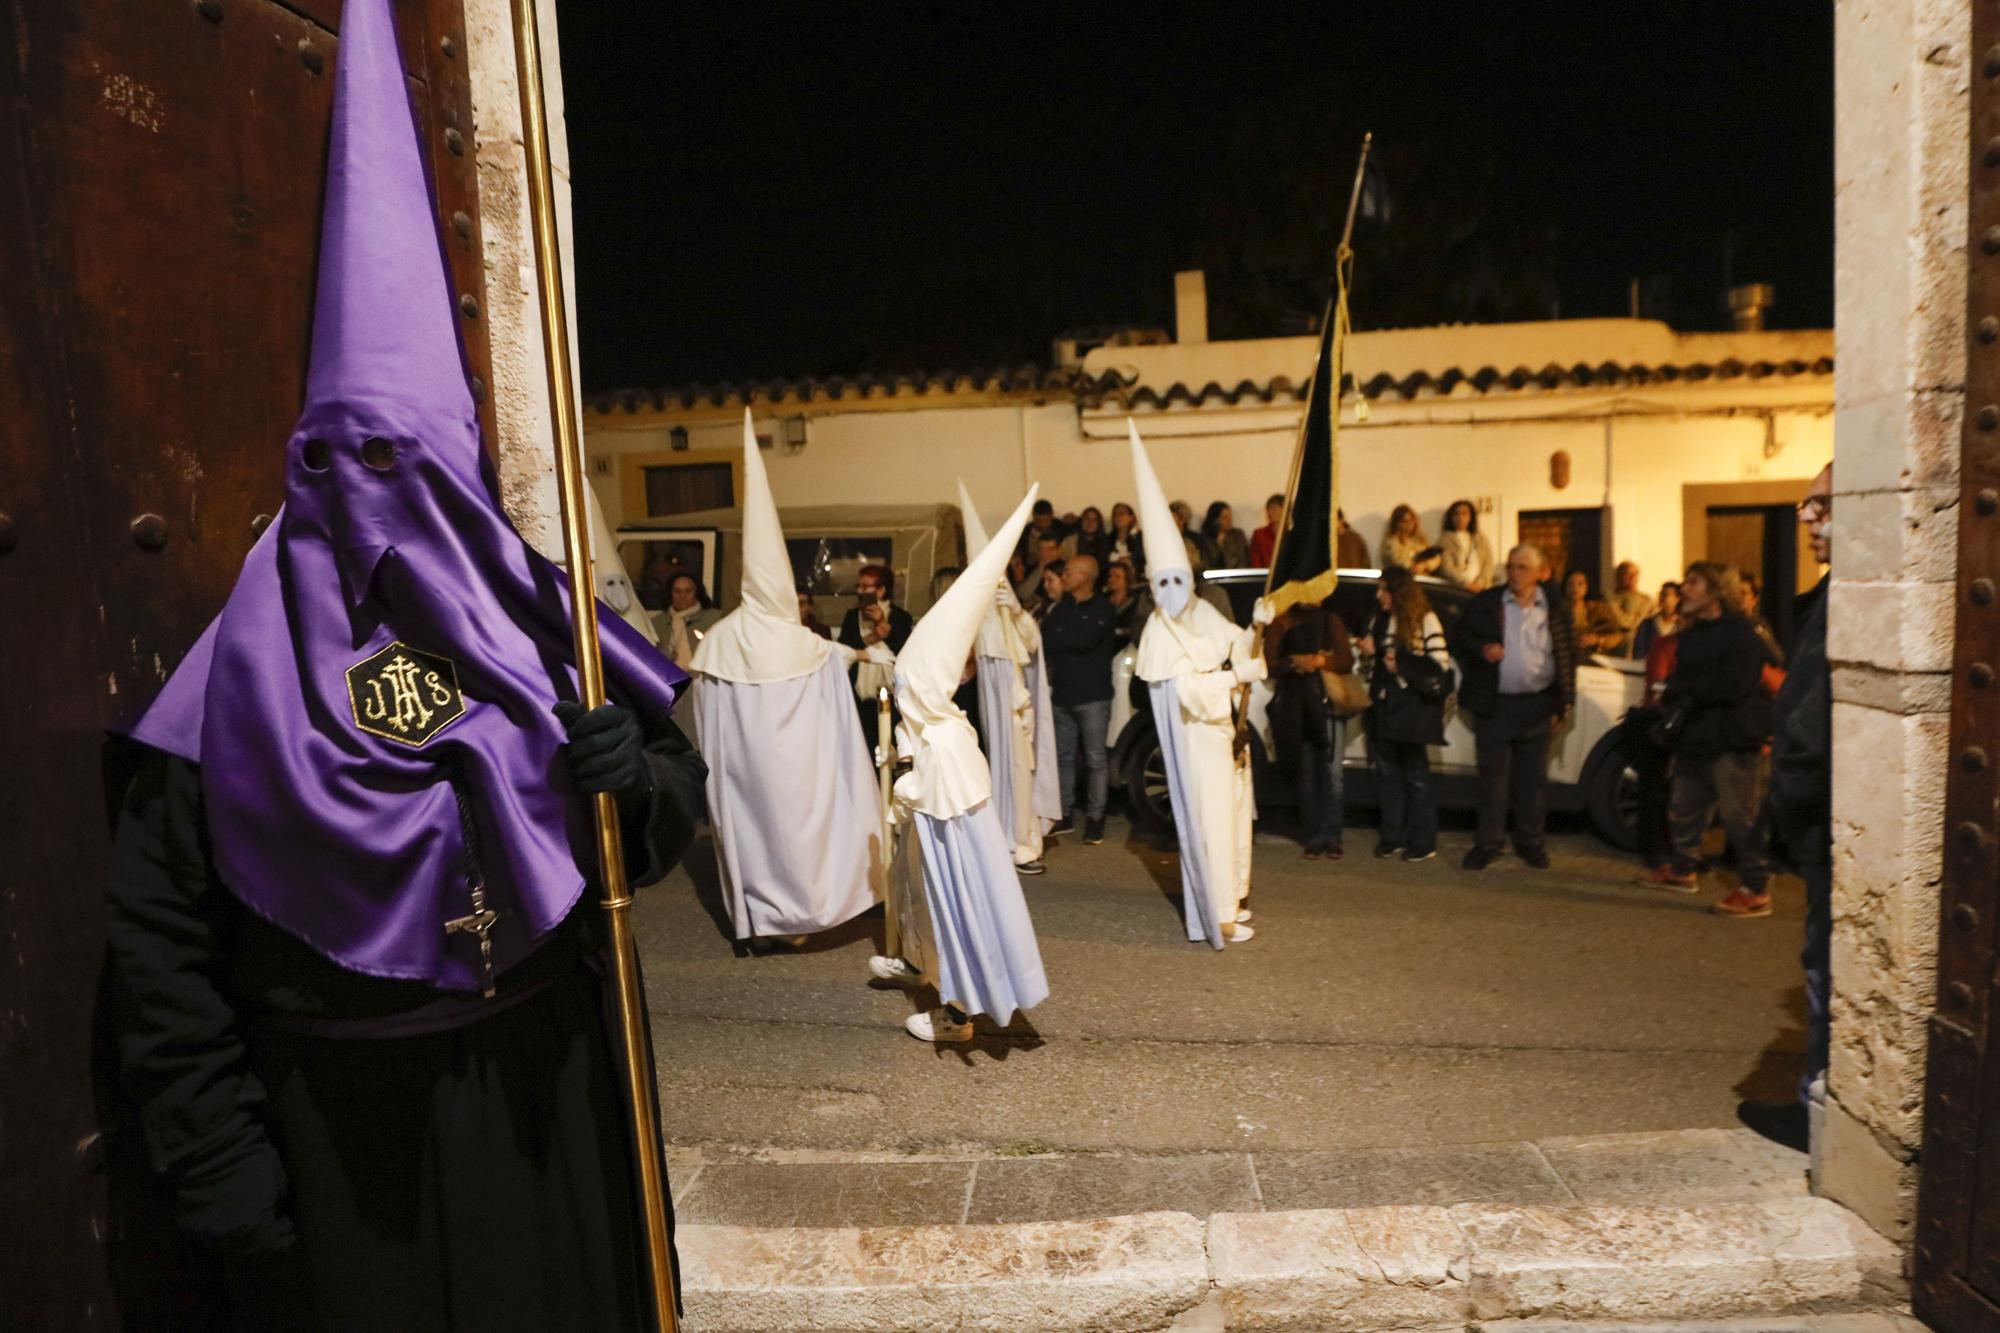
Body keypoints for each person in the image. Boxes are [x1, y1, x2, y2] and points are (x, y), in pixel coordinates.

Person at [103, 5, 707, 1323]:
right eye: (361, 463)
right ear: (308, 469)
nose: (399, 502)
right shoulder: (222, 707)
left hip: (554, 1106)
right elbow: (164, 964)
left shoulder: (530, 625)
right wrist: (228, 1184)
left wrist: (639, 778)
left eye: (425, 468)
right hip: (352, 1154)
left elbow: (666, 812)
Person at [694, 414, 888, 947]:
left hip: (747, 776)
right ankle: (803, 912)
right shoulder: (800, 640)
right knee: (800, 837)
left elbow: (708, 708)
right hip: (799, 770)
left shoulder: (720, 641)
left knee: (760, 838)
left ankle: (767, 919)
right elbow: (841, 655)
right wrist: (875, 655)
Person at [869, 490, 1050, 1043]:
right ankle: (916, 960)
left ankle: (959, 1011)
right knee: (915, 885)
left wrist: (906, 777)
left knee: (956, 898)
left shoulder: (945, 742)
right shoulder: (934, 722)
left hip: (942, 787)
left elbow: (957, 872)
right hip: (930, 772)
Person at [1131, 422, 1268, 945]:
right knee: (1211, 826)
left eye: (1179, 579)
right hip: (1200, 740)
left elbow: (1235, 642)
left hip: (1228, 734)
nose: (1171, 590)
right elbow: (1188, 691)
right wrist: (1238, 676)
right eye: (1161, 582)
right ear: (1151, 583)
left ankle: (1231, 899)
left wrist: (1257, 624)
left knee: (1233, 822)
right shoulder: (1157, 634)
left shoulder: (1202, 613)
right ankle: (1215, 915)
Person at [1742, 464, 1833, 1151]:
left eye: (1822, 503)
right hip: (1822, 821)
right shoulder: (1831, 594)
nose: (1806, 516)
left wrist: (1789, 811)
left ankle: (1819, 1110)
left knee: (1828, 967)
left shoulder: (1851, 596)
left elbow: (1808, 729)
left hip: (1828, 821)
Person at [1635, 561, 1775, 914]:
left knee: (1739, 816)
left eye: (1693, 583)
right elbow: (1680, 680)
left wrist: (1688, 691)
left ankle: (1755, 890)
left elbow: (1736, 685)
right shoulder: (1694, 633)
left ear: (1716, 591)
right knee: (1684, 808)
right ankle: (1683, 871)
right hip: (1695, 736)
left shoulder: (1741, 632)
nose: (1684, 589)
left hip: (1731, 739)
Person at [1453, 544, 1578, 870]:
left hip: (1538, 704)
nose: (1514, 573)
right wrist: (1482, 649)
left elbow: (1568, 654)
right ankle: (1488, 843)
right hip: (1496, 704)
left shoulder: (1555, 607)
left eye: (1523, 568)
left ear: (1540, 573)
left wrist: (1565, 702)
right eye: (1511, 566)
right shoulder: (1487, 602)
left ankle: (1530, 842)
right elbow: (1461, 638)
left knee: (1532, 780)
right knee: (1492, 781)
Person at [958, 481, 1061, 876]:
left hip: (1016, 701)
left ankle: (1022, 837)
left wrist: (1016, 609)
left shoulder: (1009, 608)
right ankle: (1002, 836)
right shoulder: (973, 613)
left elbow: (1031, 645)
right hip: (990, 698)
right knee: (996, 765)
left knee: (1020, 768)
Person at [1360, 568, 1453, 862]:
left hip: (1413, 709)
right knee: (1388, 774)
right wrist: (1369, 655)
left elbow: (1440, 666)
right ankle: (1392, 837)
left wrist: (1399, 664)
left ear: (1399, 592)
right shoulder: (1381, 620)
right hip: (1385, 707)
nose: (1379, 595)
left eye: (1384, 589)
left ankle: (1424, 840)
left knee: (1416, 775)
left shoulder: (1424, 620)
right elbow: (1372, 670)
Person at [1265, 594, 1354, 858]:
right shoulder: (1281, 622)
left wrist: (1320, 662)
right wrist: (1293, 662)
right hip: (1295, 706)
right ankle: (1314, 834)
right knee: (1306, 775)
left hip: (1325, 703)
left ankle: (1332, 834)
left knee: (1331, 773)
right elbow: (1268, 664)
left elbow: (1346, 660)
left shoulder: (1330, 621)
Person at [1040, 553, 1120, 844]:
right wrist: (1066, 639)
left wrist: (1064, 639)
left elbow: (1084, 640)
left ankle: (1096, 818)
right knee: (1064, 758)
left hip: (1092, 696)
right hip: (1062, 694)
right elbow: (1047, 638)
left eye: (1069, 572)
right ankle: (1065, 813)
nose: (1064, 577)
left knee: (1096, 759)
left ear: (1085, 577)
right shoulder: (1061, 607)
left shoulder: (1102, 608)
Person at [839, 563, 913, 741]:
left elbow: (904, 649)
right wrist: (872, 637)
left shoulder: (900, 616)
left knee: (891, 740)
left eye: (865, 586)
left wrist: (882, 621)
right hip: (859, 691)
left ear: (880, 590)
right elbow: (844, 648)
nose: (860, 590)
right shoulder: (851, 616)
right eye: (859, 585)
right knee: (864, 740)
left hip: (892, 689)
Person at [654, 571, 721, 668]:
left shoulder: (714, 619)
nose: (682, 596)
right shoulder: (657, 623)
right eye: (677, 591)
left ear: (697, 593)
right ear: (670, 594)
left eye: (688, 591)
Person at [1565, 569, 1628, 655]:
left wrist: (1597, 640)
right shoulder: (1559, 611)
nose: (1575, 588)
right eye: (1571, 584)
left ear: (1586, 586)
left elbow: (1618, 636)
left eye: (1580, 584)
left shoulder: (1599, 609)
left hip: (1595, 656)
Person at [1438, 499, 1494, 591]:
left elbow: (1488, 563)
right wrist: (1465, 583)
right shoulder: (1444, 540)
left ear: (1471, 517)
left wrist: (1480, 582)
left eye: (1464, 514)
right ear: (1451, 517)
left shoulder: (1481, 538)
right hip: (1458, 589)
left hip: (1482, 588)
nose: (1460, 517)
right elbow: (1446, 567)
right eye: (1456, 514)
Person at [1606, 562, 1655, 655]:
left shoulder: (1646, 599)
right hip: (1615, 645)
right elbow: (1624, 623)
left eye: (1635, 574)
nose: (1633, 578)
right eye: (1628, 574)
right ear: (1619, 576)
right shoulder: (1609, 597)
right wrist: (1643, 611)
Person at [1380, 504, 1441, 574]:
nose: (1409, 524)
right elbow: (1398, 563)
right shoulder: (1391, 542)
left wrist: (1425, 566)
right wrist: (1414, 567)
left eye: (1412, 520)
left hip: (1422, 580)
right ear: (1396, 523)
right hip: (1400, 580)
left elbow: (1435, 558)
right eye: (1405, 521)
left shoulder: (1420, 541)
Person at [1105, 559, 1152, 646]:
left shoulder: (1136, 603)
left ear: (1127, 580)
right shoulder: (1103, 602)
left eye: (1117, 576)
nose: (1112, 579)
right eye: (1110, 576)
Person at [1631, 581, 1681, 659]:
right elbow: (1638, 650)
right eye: (1661, 594)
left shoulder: (1682, 626)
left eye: (1665, 594)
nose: (1661, 597)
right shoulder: (1648, 624)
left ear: (1677, 599)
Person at [1201, 501, 1251, 569]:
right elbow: (1206, 562)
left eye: (1230, 516)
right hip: (1214, 576)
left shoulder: (1238, 535)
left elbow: (1243, 560)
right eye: (1225, 517)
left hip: (1237, 575)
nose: (1230, 520)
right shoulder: (1205, 538)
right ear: (1215, 520)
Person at [1017, 533, 1064, 603]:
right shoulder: (1031, 568)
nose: (1045, 553)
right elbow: (1022, 594)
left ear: (1058, 550)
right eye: (1041, 549)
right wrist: (1040, 569)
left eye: (1051, 549)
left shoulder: (1065, 569)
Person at [1108, 500, 1147, 577]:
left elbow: (1144, 559)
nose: (1118, 517)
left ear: (1131, 518)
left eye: (1122, 514)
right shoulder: (1107, 540)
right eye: (1115, 514)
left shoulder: (1140, 537)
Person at [1249, 493, 1285, 568]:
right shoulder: (1259, 534)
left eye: (1275, 509)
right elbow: (1256, 561)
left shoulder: (1292, 534)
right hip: (1265, 576)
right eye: (1269, 509)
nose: (1271, 512)